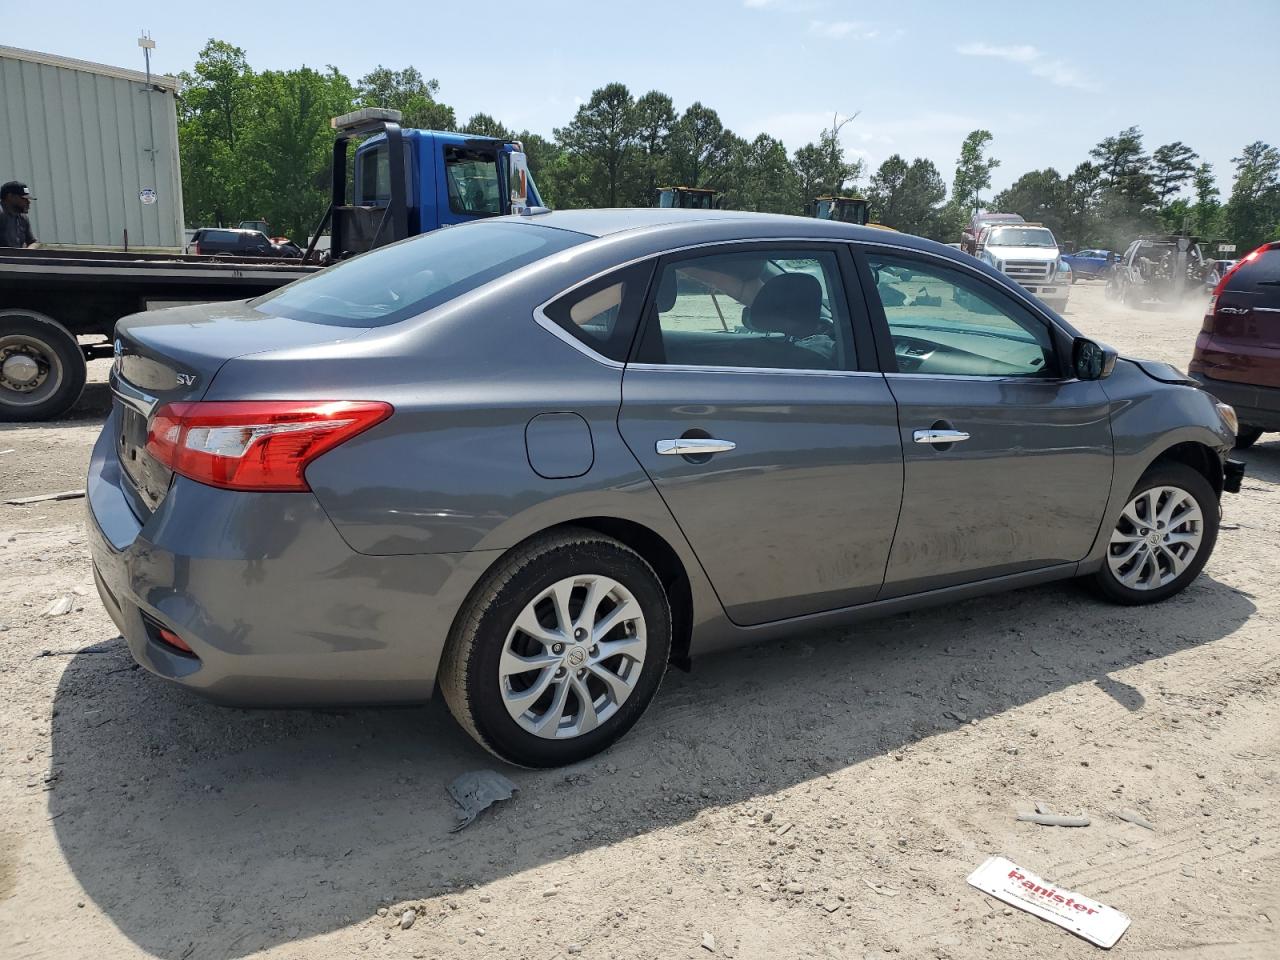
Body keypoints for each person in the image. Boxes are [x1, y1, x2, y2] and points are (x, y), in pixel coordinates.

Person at [0, 181, 39, 248]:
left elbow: (33, 242)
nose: (28, 202)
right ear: (10, 196)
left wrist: (28, 251)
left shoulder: (23, 218)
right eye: (24, 198)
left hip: (15, 257)